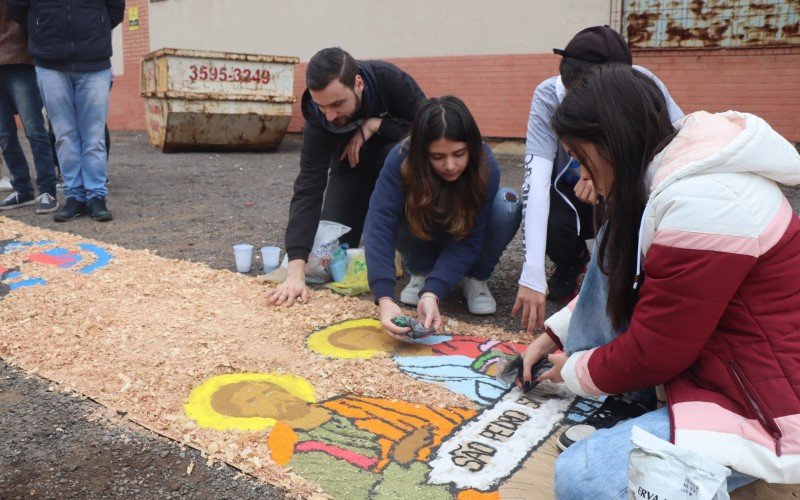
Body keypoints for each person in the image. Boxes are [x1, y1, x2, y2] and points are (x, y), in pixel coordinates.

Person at [517, 64, 800, 497]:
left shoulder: (706, 202)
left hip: (763, 407)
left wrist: (571, 371)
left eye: (580, 156)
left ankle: (637, 405)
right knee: (614, 229)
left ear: (612, 142)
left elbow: (657, 350)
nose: (579, 173)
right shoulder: (671, 175)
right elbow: (632, 284)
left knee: (585, 479)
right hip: (714, 369)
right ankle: (630, 399)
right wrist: (556, 337)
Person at [513, 25, 683, 333]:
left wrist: (606, 167)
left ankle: (633, 276)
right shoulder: (547, 94)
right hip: (571, 195)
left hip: (626, 188)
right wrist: (532, 273)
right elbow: (535, 181)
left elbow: (674, 149)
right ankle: (573, 260)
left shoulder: (643, 84)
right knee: (549, 208)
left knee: (627, 223)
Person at [269, 47, 426, 307]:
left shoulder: (391, 80)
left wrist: (376, 125)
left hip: (398, 172)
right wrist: (296, 270)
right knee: (332, 257)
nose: (329, 115)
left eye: (337, 104)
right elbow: (308, 186)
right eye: (322, 106)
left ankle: (418, 259)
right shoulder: (318, 118)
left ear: (359, 84)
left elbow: (430, 130)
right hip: (350, 171)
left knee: (400, 154)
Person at [364, 96, 522, 334]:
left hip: (462, 237)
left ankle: (475, 277)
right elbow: (380, 225)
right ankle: (420, 269)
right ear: (421, 153)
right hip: (421, 235)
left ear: (472, 146)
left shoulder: (486, 164)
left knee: (508, 203)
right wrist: (384, 298)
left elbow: (470, 238)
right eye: (437, 157)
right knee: (394, 206)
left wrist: (433, 292)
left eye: (459, 154)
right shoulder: (400, 158)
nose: (450, 165)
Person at [6, 0, 124, 223]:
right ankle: (74, 196)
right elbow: (17, 7)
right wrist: (40, 32)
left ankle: (96, 196)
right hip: (50, 63)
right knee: (64, 135)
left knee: (94, 135)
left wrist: (94, 29)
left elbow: (116, 8)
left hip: (94, 61)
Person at [0, 0, 58, 214]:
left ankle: (47, 190)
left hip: (20, 60)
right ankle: (23, 189)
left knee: (34, 129)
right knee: (4, 134)